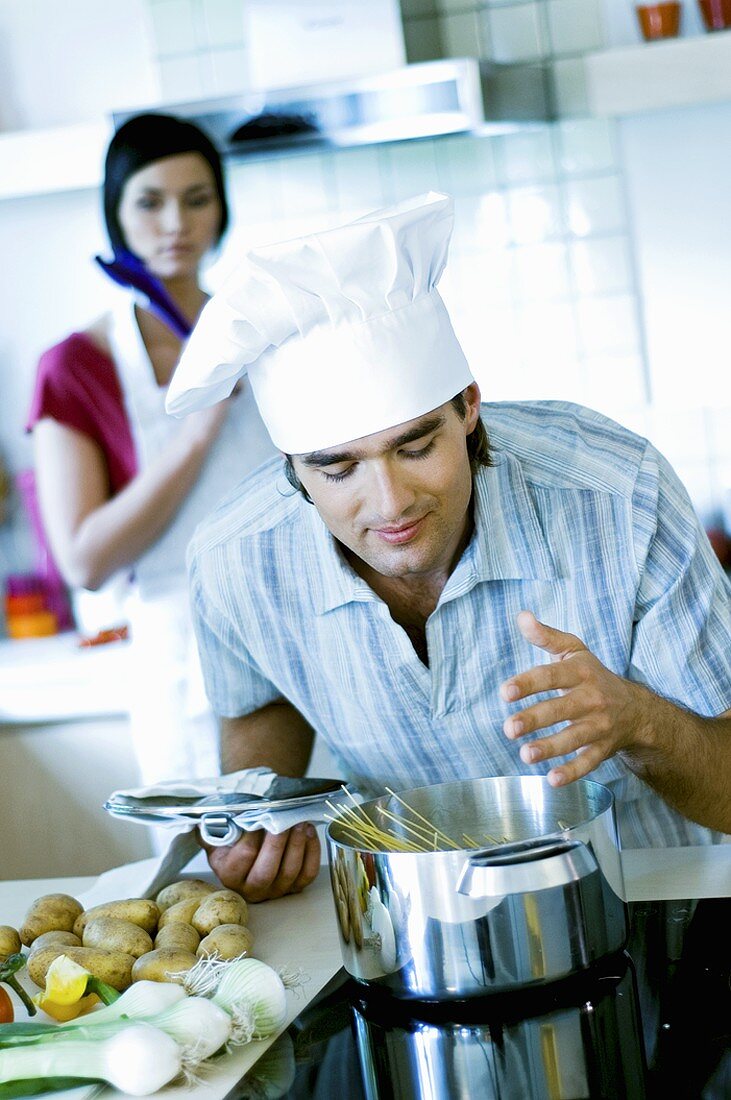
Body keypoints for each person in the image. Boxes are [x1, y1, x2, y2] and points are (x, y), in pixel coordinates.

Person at [165, 191, 731, 901]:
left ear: (467, 404)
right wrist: (262, 814)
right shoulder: (234, 560)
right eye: (338, 468)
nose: (391, 502)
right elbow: (258, 703)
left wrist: (640, 721)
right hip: (414, 922)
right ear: (292, 467)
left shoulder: (618, 496)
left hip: (657, 904)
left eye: (416, 445)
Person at [27, 113, 275, 786]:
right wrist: (198, 433)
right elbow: (84, 558)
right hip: (186, 667)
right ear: (117, 213)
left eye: (197, 199)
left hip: (300, 635)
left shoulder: (263, 331)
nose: (176, 223)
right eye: (149, 201)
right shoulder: (77, 365)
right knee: (208, 882)